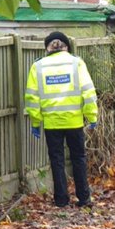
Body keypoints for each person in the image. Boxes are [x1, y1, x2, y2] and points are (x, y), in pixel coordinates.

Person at [25, 32, 98, 209]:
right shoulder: (76, 63)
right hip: (74, 121)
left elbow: (32, 98)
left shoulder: (38, 66)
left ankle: (61, 200)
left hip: (52, 123)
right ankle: (84, 198)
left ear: (47, 47)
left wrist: (36, 122)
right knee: (79, 158)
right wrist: (92, 116)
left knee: (56, 160)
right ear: (66, 46)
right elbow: (88, 92)